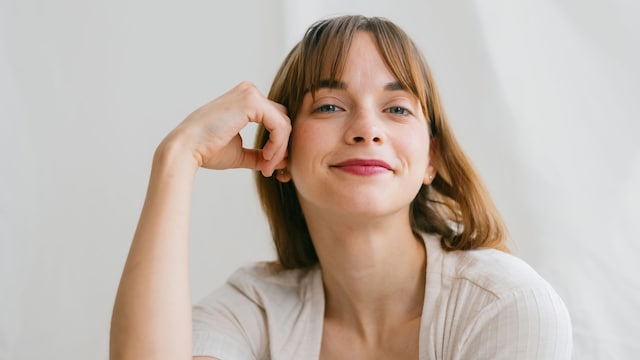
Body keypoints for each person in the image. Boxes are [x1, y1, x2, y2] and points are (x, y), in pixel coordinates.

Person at [110, 15, 572, 360]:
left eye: (397, 109)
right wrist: (177, 156)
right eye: (330, 106)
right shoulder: (255, 310)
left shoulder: (506, 306)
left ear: (430, 159)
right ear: (281, 151)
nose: (367, 129)